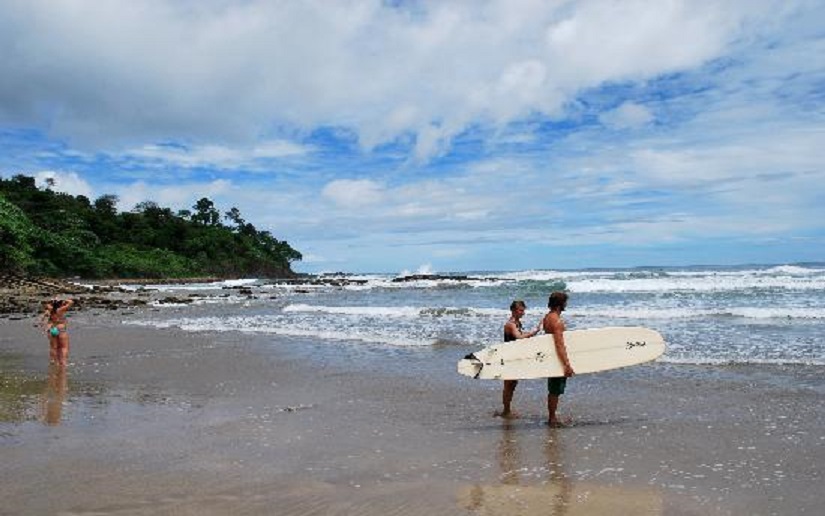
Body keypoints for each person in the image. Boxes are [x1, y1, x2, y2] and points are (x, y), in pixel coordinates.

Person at [497, 300, 541, 418]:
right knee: (508, 385)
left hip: (514, 357)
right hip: (508, 358)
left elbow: (519, 335)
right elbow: (519, 337)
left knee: (513, 384)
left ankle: (507, 410)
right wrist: (534, 332)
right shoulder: (510, 324)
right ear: (513, 310)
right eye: (521, 310)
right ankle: (506, 411)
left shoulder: (517, 323)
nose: (523, 313)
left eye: (523, 310)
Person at [542, 291, 574, 426]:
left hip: (552, 357)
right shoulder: (557, 321)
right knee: (555, 389)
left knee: (553, 389)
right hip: (557, 358)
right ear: (560, 304)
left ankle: (552, 416)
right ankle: (552, 419)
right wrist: (566, 364)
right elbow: (559, 344)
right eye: (565, 302)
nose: (566, 304)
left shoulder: (547, 317)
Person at [41, 298, 74, 365]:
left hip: (52, 329)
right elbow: (71, 302)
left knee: (53, 347)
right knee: (64, 347)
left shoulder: (49, 310)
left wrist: (52, 301)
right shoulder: (60, 310)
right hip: (60, 329)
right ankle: (63, 362)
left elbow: (42, 320)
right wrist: (64, 300)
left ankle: (54, 361)